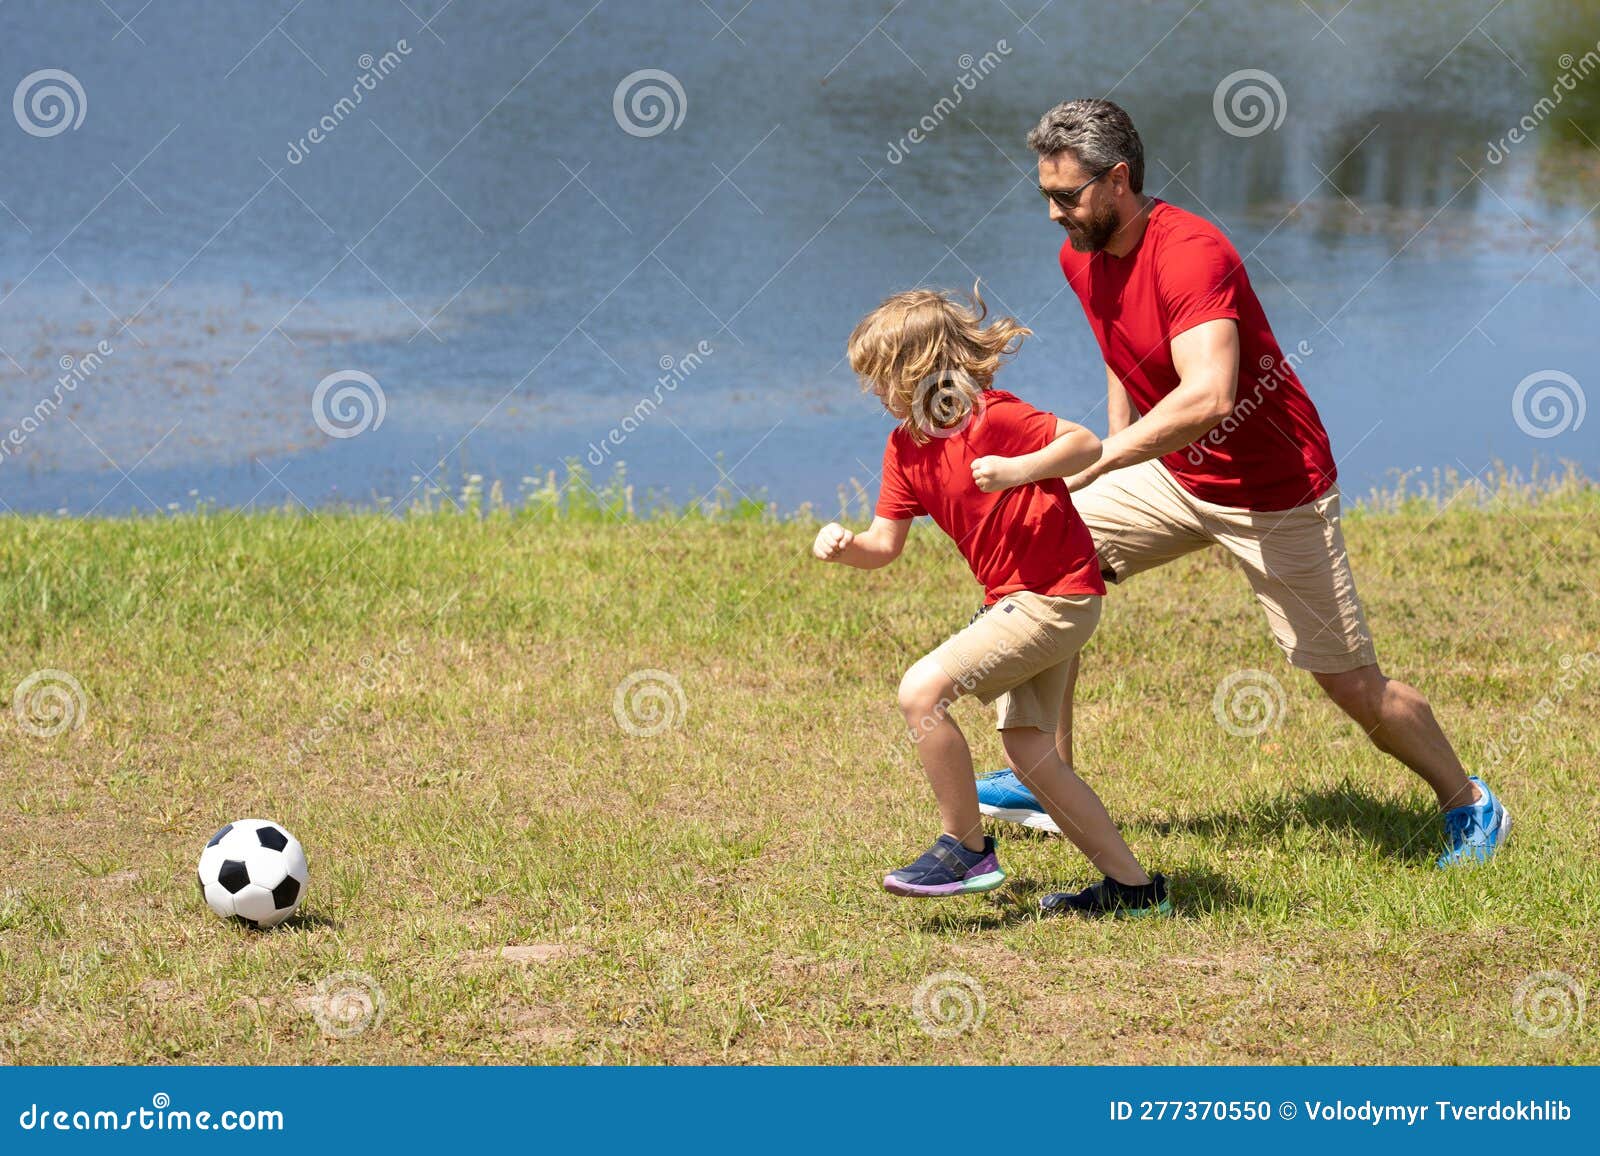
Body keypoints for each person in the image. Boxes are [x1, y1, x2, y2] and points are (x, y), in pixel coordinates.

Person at [971, 98, 1508, 867]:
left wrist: (1103, 458)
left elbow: (1210, 395)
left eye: (1067, 196)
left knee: (1350, 682)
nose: (1053, 213)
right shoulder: (1081, 253)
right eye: (1046, 195)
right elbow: (1121, 356)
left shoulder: (1192, 252)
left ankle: (1470, 803)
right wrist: (1115, 450)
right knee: (1043, 559)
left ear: (1118, 179)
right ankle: (1043, 772)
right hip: (1171, 472)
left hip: (1273, 488)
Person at [812, 284, 1170, 916]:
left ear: (918, 369)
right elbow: (884, 544)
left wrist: (1018, 469)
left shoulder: (994, 417)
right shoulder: (905, 449)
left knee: (921, 692)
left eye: (880, 377)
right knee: (1032, 756)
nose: (874, 392)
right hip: (1024, 599)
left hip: (1054, 597)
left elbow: (1085, 444)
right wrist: (847, 548)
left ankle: (965, 848)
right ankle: (1135, 891)